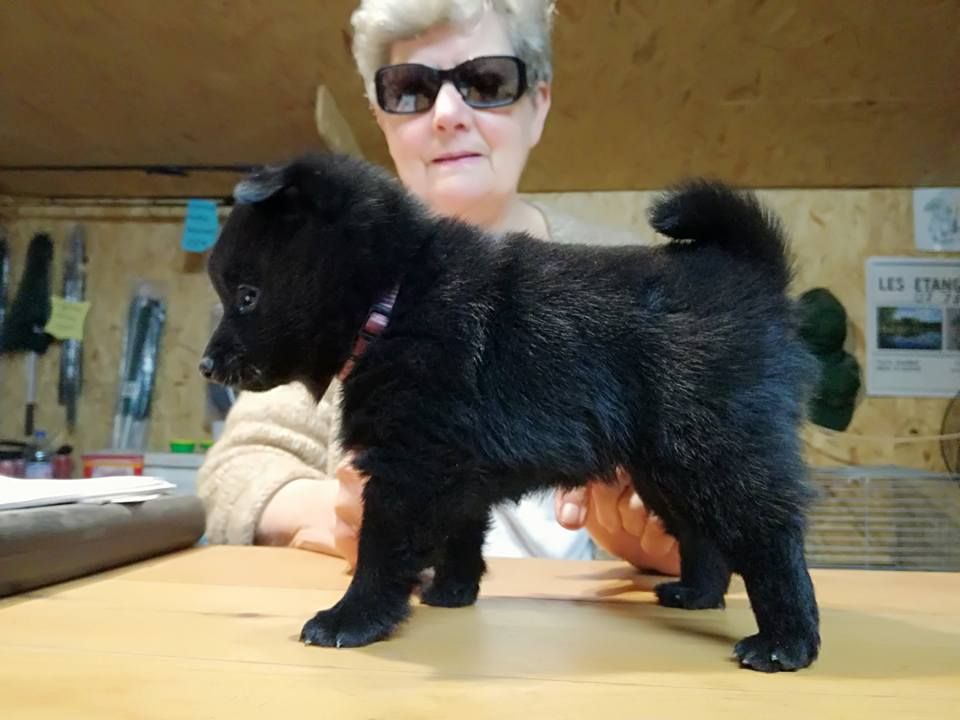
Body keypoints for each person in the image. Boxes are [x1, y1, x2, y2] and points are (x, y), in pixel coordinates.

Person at [197, 0, 680, 577]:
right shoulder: (327, 282)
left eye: (487, 82)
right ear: (381, 118)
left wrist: (662, 535)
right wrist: (337, 513)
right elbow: (237, 470)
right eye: (410, 90)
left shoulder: (632, 281)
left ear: (538, 105)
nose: (448, 113)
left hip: (584, 625)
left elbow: (726, 470)